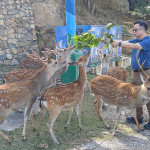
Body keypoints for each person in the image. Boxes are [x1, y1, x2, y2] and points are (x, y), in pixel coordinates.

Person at [110, 20, 150, 130]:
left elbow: (133, 46)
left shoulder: (147, 40)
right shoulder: (137, 39)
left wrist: (118, 44)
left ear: (143, 30)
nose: (134, 32)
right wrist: (111, 41)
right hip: (135, 73)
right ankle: (139, 117)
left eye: (135, 30)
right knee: (136, 94)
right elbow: (124, 41)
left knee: (148, 96)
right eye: (133, 30)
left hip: (146, 73)